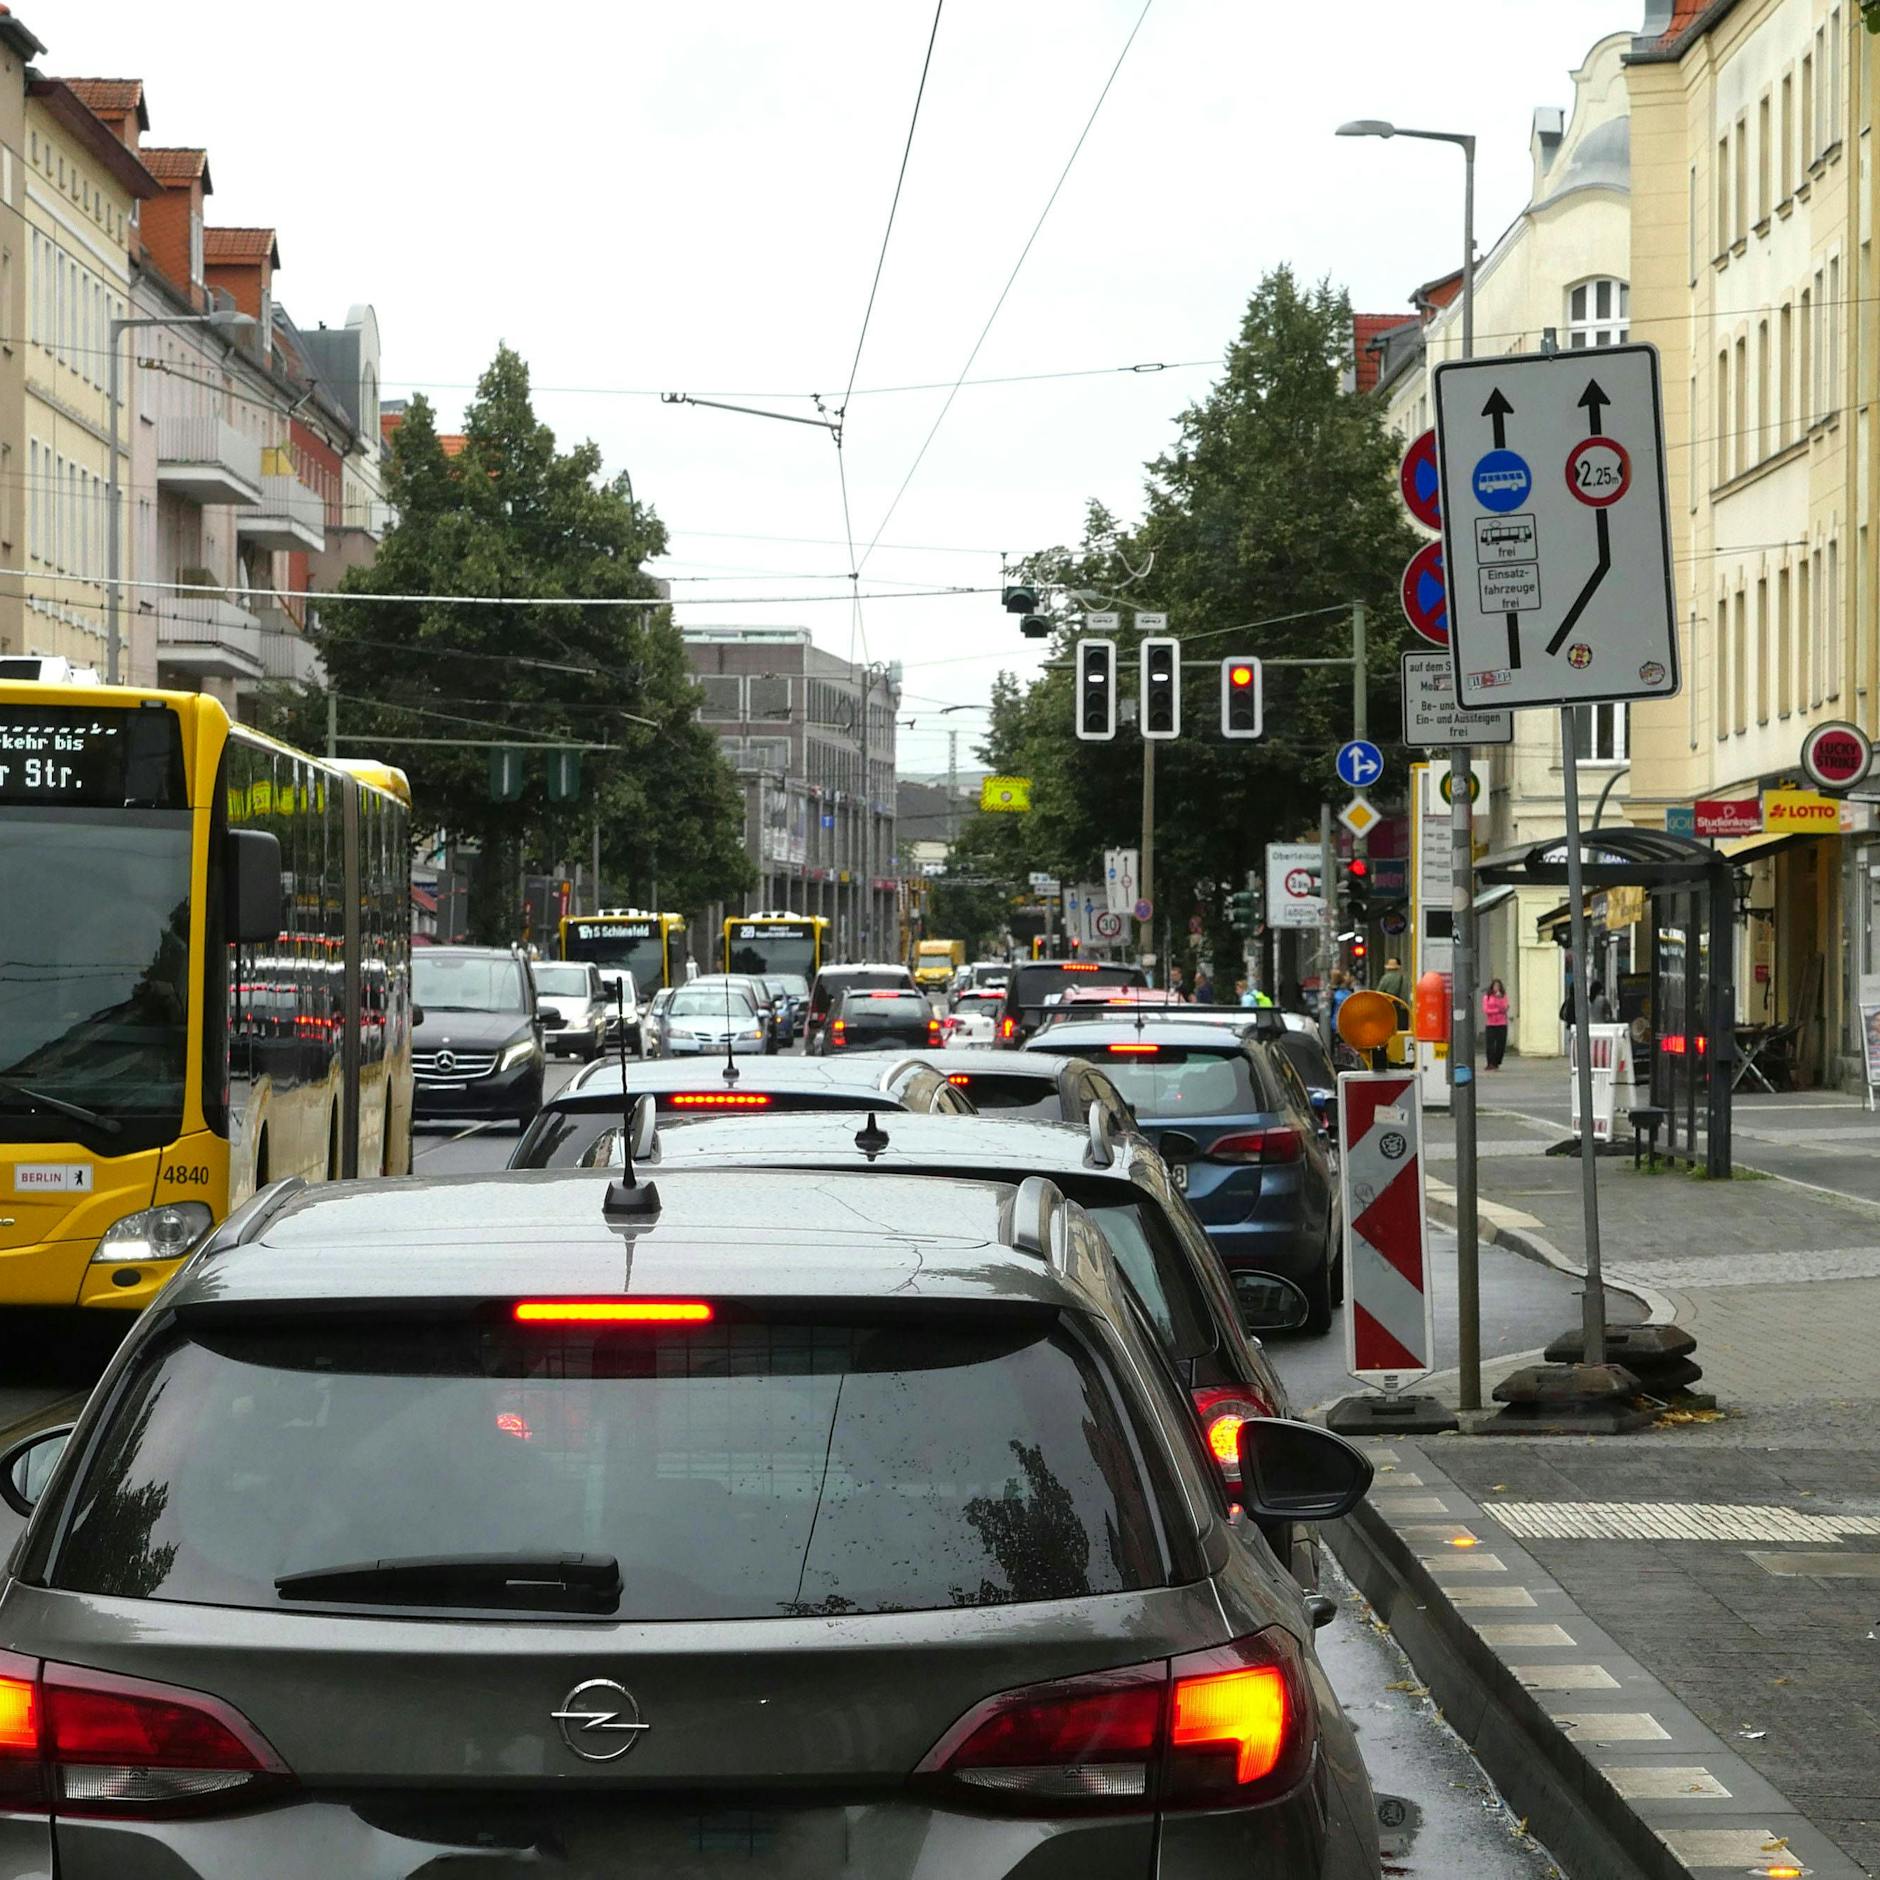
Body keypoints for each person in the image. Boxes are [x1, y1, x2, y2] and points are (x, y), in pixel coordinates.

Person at [1483, 978, 1510, 1070]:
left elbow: (1505, 1008)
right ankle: (1490, 1063)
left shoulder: (1503, 996)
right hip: (1491, 1024)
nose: (1496, 988)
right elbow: (1486, 1010)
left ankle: (1496, 1062)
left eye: (1498, 986)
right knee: (1490, 1045)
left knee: (1500, 1045)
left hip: (1501, 1023)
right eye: (1495, 986)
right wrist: (1497, 1011)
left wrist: (1499, 1000)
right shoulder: (1487, 997)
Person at [1374, 955, 1409, 1021]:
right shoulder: (1403, 977)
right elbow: (1405, 993)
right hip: (1400, 1005)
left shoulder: (1385, 978)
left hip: (1388, 1005)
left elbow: (1378, 992)